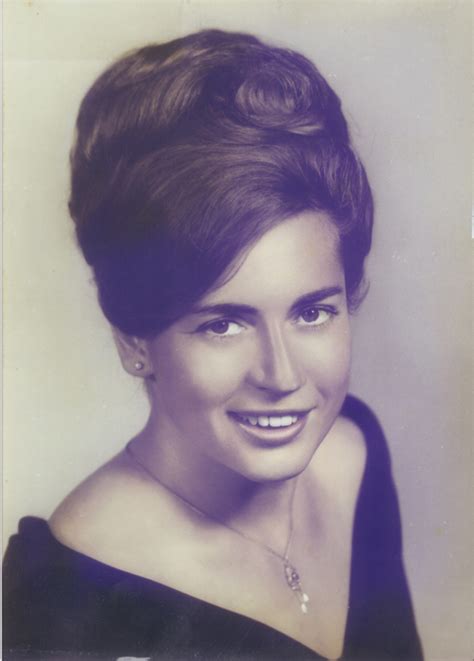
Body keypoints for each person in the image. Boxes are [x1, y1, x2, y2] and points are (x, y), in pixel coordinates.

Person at [3, 29, 423, 660]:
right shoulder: (65, 598)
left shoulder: (354, 448)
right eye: (223, 324)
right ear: (134, 340)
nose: (282, 375)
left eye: (312, 312)